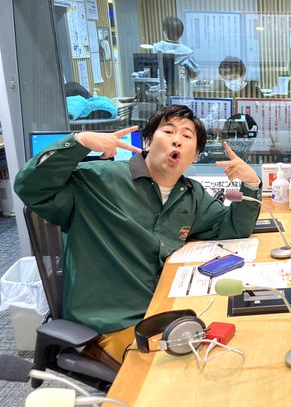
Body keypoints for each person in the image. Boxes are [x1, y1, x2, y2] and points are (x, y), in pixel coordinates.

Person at [14, 104, 262, 370]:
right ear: (148, 142)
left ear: (195, 156)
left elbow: (231, 228)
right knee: (187, 374)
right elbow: (30, 187)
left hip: (163, 310)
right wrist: (79, 142)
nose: (177, 139)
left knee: (239, 346)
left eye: (187, 135)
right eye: (168, 131)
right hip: (110, 325)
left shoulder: (191, 195)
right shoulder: (97, 179)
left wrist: (251, 184)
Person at [153, 16, 200, 80]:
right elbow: (195, 73)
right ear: (181, 33)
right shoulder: (187, 52)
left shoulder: (156, 48)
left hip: (160, 84)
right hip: (181, 85)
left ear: (164, 32)